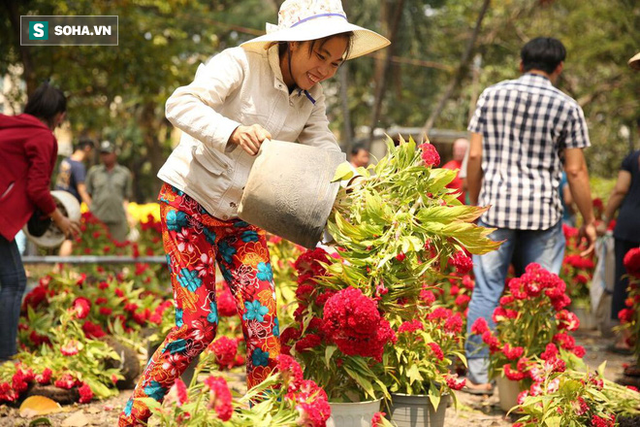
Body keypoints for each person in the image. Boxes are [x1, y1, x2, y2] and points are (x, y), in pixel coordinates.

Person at [118, 0, 389, 425]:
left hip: (243, 218)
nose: (326, 70)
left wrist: (353, 181)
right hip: (189, 204)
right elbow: (180, 104)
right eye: (320, 56)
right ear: (294, 43)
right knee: (196, 327)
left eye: (335, 63)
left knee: (264, 326)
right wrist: (232, 131)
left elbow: (325, 148)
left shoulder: (311, 100)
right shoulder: (239, 63)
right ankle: (132, 418)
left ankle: (262, 418)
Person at [464, 37, 597, 394]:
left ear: (521, 63)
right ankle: (536, 377)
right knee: (541, 297)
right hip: (542, 213)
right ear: (559, 68)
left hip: (494, 208)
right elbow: (577, 171)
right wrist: (589, 221)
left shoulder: (491, 95)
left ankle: (478, 377)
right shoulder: (568, 106)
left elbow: (474, 158)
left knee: (486, 291)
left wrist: (472, 205)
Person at [0, 82, 80, 361]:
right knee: (14, 281)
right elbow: (36, 189)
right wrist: (60, 219)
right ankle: (6, 357)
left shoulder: (8, 125)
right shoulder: (43, 137)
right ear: (59, 115)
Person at [597, 53, 640, 354]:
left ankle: (624, 338)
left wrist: (603, 219)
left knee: (625, 282)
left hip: (629, 225)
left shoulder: (634, 158)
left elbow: (619, 191)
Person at [85, 140, 133, 242]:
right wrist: (92, 209)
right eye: (103, 153)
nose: (105, 156)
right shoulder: (94, 172)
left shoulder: (124, 173)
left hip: (118, 219)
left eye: (108, 153)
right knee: (97, 250)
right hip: (98, 218)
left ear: (114, 154)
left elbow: (126, 197)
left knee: (119, 251)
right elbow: (87, 193)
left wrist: (128, 216)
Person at [55, 136, 95, 255]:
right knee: (70, 237)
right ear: (87, 148)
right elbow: (81, 189)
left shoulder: (66, 162)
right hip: (70, 205)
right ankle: (60, 267)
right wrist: (91, 206)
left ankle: (63, 267)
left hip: (59, 201)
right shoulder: (78, 166)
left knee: (65, 236)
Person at [442, 138, 469, 204]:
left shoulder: (472, 167)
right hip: (452, 209)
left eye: (461, 150)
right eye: (456, 149)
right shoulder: (447, 168)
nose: (458, 153)